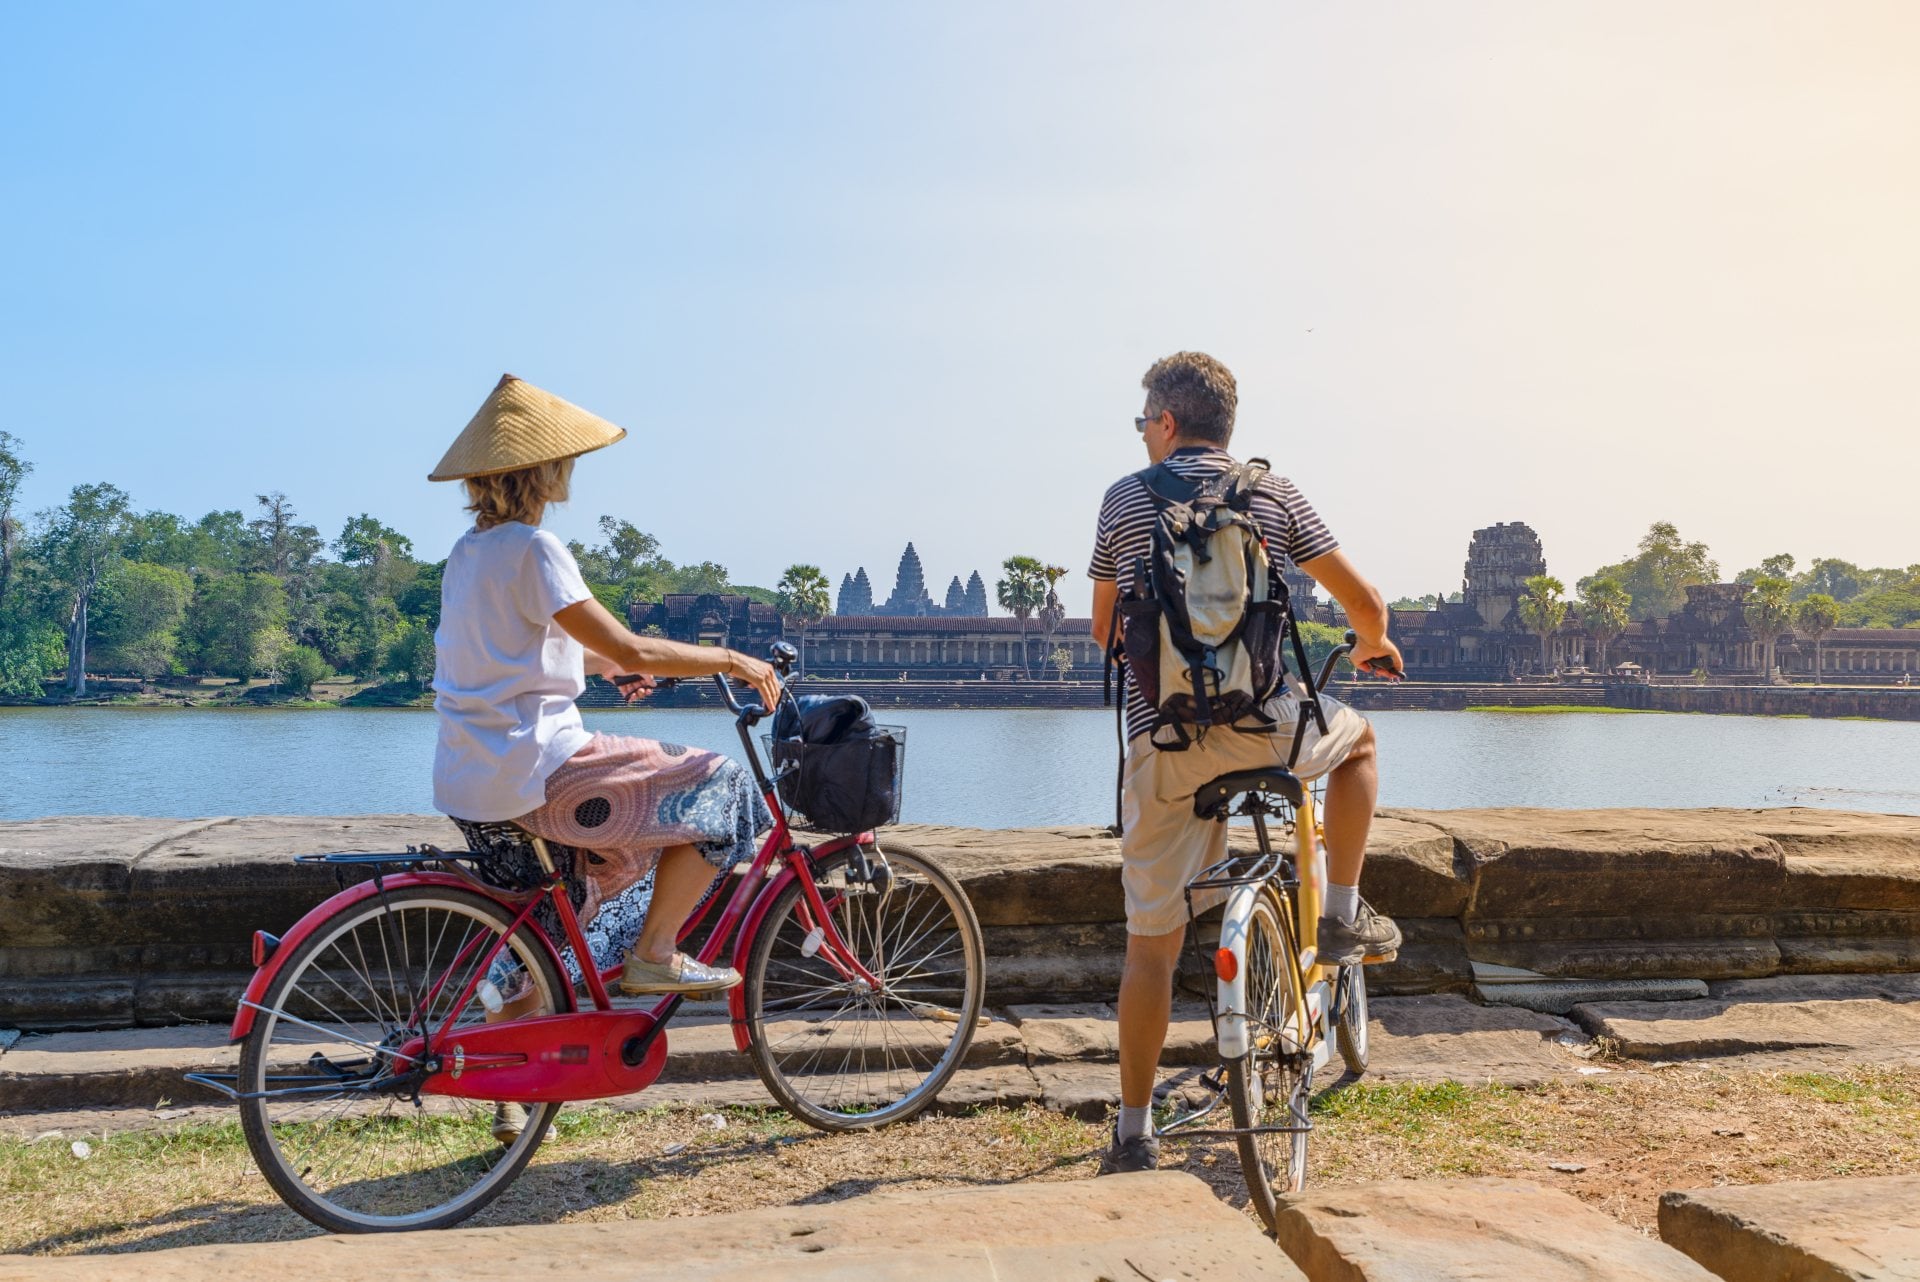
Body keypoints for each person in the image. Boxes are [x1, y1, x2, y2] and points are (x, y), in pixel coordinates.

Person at [428, 374, 783, 1142]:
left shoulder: (469, 553)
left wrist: (605, 670)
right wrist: (730, 658)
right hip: (538, 767)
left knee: (555, 921)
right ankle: (657, 951)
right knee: (721, 787)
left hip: (469, 776)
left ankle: (510, 1088)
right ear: (547, 472)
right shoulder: (535, 547)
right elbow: (623, 639)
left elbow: (512, 656)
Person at [1087, 351, 1405, 1174]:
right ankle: (1339, 911)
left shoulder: (1124, 500)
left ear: (1164, 422)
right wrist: (1372, 646)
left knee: (1149, 946)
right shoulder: (1271, 493)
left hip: (1160, 741)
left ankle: (1132, 1130)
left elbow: (1103, 634)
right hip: (1269, 729)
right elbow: (1365, 605)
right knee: (1359, 742)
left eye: (1142, 421)